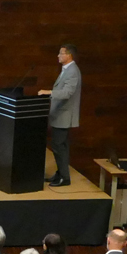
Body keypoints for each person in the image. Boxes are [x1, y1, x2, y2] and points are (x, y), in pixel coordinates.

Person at [37, 42, 82, 186]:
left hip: (64, 116)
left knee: (58, 145)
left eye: (61, 53)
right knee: (60, 146)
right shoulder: (66, 69)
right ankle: (60, 173)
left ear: (69, 55)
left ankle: (64, 177)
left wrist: (49, 92)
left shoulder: (72, 71)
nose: (58, 55)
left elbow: (67, 93)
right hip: (59, 115)